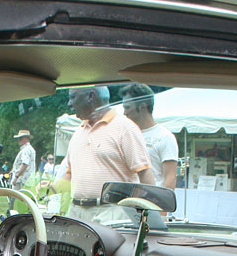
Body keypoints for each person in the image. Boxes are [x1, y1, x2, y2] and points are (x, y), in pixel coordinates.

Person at [60, 86, 154, 224]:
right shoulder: (78, 133)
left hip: (112, 212)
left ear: (91, 96)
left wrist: (151, 218)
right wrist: (51, 188)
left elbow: (145, 173)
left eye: (73, 97)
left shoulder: (125, 128)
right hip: (77, 213)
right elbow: (69, 175)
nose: (69, 103)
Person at [120, 83, 178, 189]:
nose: (124, 113)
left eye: (127, 107)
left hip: (151, 202)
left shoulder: (165, 137)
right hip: (127, 202)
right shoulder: (125, 135)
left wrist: (160, 202)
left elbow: (170, 178)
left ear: (142, 107)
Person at [8, 129, 36, 212]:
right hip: (28, 180)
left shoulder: (26, 150)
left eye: (20, 138)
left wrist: (16, 176)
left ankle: (12, 215)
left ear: (25, 138)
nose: (19, 140)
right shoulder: (30, 149)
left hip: (21, 180)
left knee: (14, 198)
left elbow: (25, 163)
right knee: (24, 199)